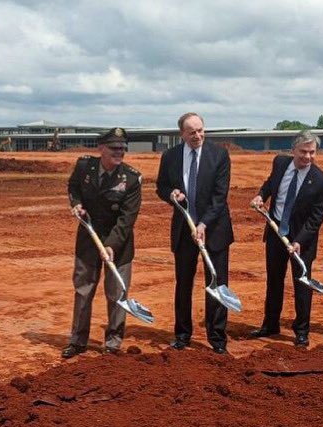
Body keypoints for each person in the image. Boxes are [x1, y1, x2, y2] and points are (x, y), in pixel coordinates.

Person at [156, 112, 234, 354]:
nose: (198, 135)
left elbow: (219, 197)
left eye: (201, 130)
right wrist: (171, 195)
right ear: (182, 134)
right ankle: (182, 335)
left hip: (215, 230)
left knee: (217, 282)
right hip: (184, 230)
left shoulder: (219, 155)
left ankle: (217, 338)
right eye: (192, 132)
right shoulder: (170, 156)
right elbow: (161, 186)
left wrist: (203, 225)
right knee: (183, 284)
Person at [62, 127, 143, 358]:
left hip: (119, 244)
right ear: (101, 148)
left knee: (116, 294)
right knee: (83, 291)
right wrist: (75, 204)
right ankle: (78, 341)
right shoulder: (84, 166)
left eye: (122, 148)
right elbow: (74, 188)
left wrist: (111, 246)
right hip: (88, 239)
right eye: (114, 148)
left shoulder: (131, 178)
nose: (120, 152)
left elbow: (127, 219)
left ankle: (113, 343)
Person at [249, 131, 323, 347]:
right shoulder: (280, 162)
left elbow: (316, 218)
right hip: (276, 232)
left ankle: (301, 331)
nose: (307, 157)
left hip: (301, 241)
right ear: (293, 150)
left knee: (302, 284)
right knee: (274, 281)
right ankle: (270, 324)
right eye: (303, 152)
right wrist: (261, 195)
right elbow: (270, 184)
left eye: (312, 152)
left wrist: (299, 241)